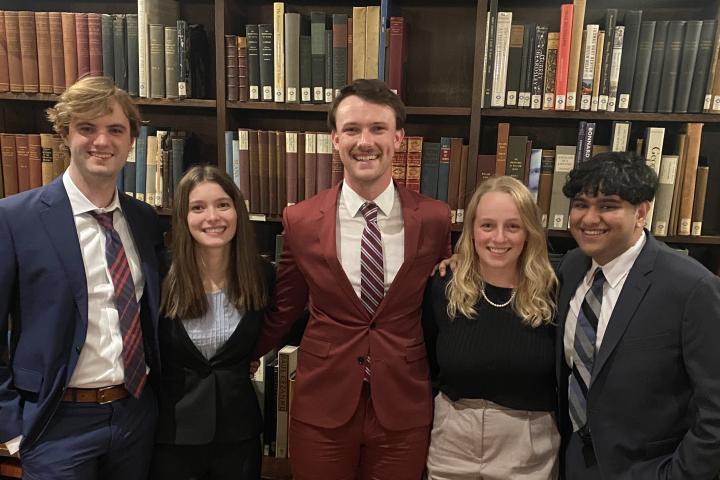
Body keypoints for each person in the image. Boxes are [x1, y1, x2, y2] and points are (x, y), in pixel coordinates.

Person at [253, 79, 452, 480]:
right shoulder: (302, 219)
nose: (366, 141)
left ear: (398, 137)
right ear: (334, 139)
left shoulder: (434, 218)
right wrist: (246, 352)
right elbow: (287, 304)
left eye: (378, 128)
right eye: (352, 129)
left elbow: (441, 298)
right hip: (323, 402)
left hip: (403, 403)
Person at [0, 76, 164, 479]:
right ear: (65, 133)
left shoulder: (143, 220)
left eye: (115, 130)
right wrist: (12, 427)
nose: (101, 142)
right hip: (56, 422)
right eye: (87, 128)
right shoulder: (15, 218)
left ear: (131, 141)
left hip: (135, 415)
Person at [557, 151, 720, 479]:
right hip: (575, 463)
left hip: (650, 469)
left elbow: (716, 407)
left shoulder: (691, 287)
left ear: (642, 212)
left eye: (608, 205)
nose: (589, 218)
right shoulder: (571, 268)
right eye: (581, 204)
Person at [423, 176, 559, 480]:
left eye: (513, 226)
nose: (499, 238)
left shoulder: (555, 291)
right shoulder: (444, 285)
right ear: (472, 230)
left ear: (529, 232)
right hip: (452, 442)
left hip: (527, 448)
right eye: (487, 226)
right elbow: (428, 363)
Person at [151, 165, 273, 480]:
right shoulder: (159, 274)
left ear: (237, 211)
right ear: (182, 216)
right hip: (172, 434)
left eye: (222, 205)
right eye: (198, 208)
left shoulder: (263, 275)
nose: (212, 217)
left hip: (239, 435)